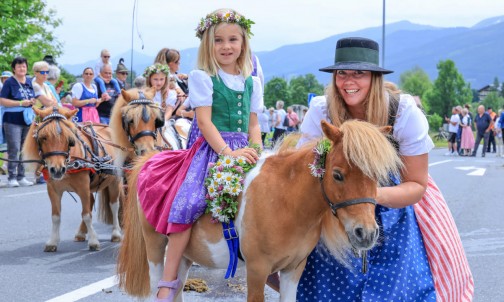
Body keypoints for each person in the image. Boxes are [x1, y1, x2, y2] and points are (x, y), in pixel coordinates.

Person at [296, 37, 472, 301]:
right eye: (341, 73)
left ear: (374, 77)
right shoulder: (323, 109)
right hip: (337, 204)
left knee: (397, 285)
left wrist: (369, 195)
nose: (348, 81)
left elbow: (417, 185)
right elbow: (307, 167)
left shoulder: (401, 112)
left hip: (394, 202)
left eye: (359, 73)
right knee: (329, 284)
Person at [136, 9, 262, 301]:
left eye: (233, 39)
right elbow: (204, 123)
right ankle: (168, 280)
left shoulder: (251, 81)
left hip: (245, 149)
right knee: (188, 202)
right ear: (208, 44)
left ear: (243, 44)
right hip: (212, 149)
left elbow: (254, 124)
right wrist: (229, 153)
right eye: (218, 40)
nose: (226, 46)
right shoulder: (203, 77)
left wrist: (255, 152)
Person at [0, 57, 37, 187]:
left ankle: (21, 176)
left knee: (24, 149)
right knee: (14, 148)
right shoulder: (9, 82)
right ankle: (11, 177)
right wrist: (21, 102)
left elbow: (31, 96)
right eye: (19, 66)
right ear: (14, 68)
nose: (22, 68)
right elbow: (2, 100)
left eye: (24, 66)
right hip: (12, 119)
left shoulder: (29, 81)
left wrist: (32, 102)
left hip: (27, 119)